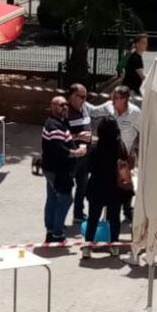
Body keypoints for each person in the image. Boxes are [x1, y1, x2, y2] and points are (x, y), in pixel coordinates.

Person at [88, 86, 141, 222]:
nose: (113, 100)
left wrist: (137, 150)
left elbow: (143, 131)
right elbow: (93, 111)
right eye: (112, 96)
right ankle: (107, 213)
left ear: (125, 99)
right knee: (108, 183)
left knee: (125, 183)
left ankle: (127, 209)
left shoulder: (135, 113)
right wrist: (81, 101)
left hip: (125, 154)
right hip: (108, 154)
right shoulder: (108, 107)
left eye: (116, 98)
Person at [41, 95, 89, 243]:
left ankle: (51, 231)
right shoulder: (54, 126)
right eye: (61, 105)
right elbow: (60, 150)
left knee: (53, 199)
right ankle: (57, 233)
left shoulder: (57, 123)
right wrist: (77, 152)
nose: (65, 107)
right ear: (53, 107)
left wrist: (76, 138)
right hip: (58, 171)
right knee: (66, 199)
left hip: (52, 169)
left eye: (66, 105)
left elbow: (61, 140)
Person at [81, 116, 128, 260]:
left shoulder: (95, 147)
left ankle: (87, 247)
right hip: (115, 188)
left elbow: (89, 167)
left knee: (93, 218)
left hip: (97, 186)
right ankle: (114, 246)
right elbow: (125, 165)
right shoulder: (120, 147)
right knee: (114, 218)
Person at [66, 83, 93, 223]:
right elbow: (59, 135)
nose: (84, 99)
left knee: (82, 186)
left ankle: (78, 214)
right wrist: (78, 137)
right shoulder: (65, 112)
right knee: (65, 188)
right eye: (81, 96)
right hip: (71, 156)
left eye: (85, 96)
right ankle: (58, 221)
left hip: (85, 155)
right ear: (71, 96)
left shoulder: (84, 108)